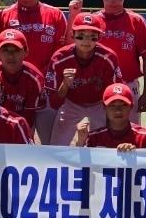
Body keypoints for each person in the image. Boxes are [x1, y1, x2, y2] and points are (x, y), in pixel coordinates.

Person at [0, 0, 69, 142]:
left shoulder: (55, 15)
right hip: (15, 91)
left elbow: (62, 54)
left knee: (52, 145)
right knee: (14, 142)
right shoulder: (4, 15)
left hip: (47, 90)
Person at [47, 13, 121, 146]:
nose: (86, 41)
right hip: (70, 103)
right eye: (81, 35)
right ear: (72, 35)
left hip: (99, 104)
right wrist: (64, 84)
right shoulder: (59, 59)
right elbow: (54, 103)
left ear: (99, 37)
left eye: (92, 36)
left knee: (103, 146)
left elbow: (115, 94)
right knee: (57, 145)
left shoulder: (108, 58)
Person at [86, 0, 146, 111]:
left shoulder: (137, 21)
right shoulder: (92, 21)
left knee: (131, 130)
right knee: (98, 131)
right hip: (97, 85)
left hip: (128, 85)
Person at [0, 28, 46, 135]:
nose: (11, 56)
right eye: (5, 50)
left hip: (25, 117)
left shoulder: (34, 78)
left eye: (16, 50)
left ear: (26, 52)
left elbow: (29, 115)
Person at [76, 84, 146, 150]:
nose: (118, 111)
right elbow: (80, 165)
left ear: (131, 107)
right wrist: (80, 143)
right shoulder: (93, 138)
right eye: (112, 105)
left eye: (123, 105)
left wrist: (136, 154)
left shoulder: (145, 136)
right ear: (104, 107)